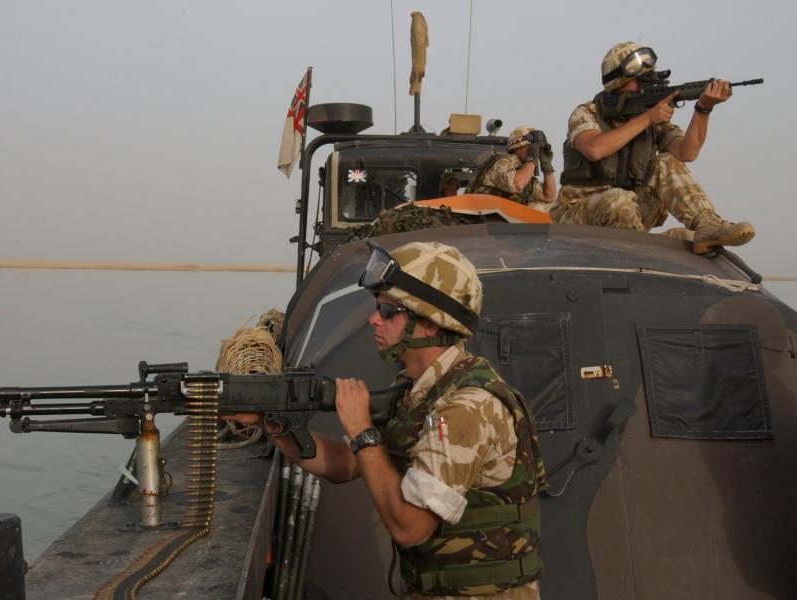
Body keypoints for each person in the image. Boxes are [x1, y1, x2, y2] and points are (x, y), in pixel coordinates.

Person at [227, 241, 546, 599]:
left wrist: (362, 431)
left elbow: (410, 527)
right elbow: (345, 464)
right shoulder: (416, 390)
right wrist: (274, 426)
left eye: (387, 310)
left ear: (428, 323)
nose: (373, 319)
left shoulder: (467, 407)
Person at [551, 42, 755, 255]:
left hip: (629, 215)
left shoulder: (654, 119)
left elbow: (687, 152)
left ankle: (707, 225)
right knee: (617, 200)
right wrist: (648, 118)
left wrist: (703, 108)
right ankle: (649, 247)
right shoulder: (587, 112)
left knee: (667, 162)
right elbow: (594, 149)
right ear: (618, 82)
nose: (646, 85)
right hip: (576, 216)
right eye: (639, 80)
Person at [465, 126, 556, 214]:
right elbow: (517, 185)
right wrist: (532, 158)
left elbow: (549, 197)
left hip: (500, 219)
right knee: (538, 209)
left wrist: (547, 165)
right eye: (532, 148)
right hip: (481, 216)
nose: (536, 152)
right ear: (518, 147)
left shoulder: (524, 170)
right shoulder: (502, 163)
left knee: (551, 207)